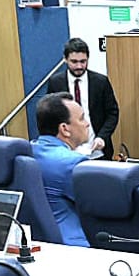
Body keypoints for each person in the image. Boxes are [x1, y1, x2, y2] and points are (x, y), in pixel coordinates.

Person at [32, 93, 91, 247]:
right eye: (82, 118)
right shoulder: (73, 163)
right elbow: (100, 207)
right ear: (64, 129)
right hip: (74, 246)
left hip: (35, 242)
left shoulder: (27, 152)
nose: (87, 124)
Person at [46, 38, 119, 159]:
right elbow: (50, 116)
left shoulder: (101, 82)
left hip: (98, 151)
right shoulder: (55, 82)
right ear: (65, 59)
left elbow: (112, 113)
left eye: (83, 61)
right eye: (74, 62)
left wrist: (102, 137)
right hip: (67, 153)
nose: (79, 66)